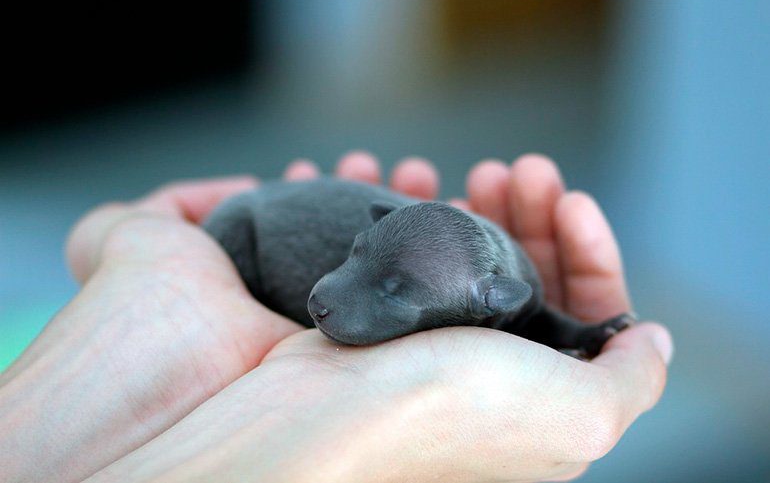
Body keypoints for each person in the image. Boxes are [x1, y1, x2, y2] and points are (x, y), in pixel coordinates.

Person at [0, 152, 672, 483]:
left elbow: (538, 316)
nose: (329, 294)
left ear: (493, 301)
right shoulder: (440, 267)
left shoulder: (506, 285)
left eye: (390, 290)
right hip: (253, 238)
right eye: (356, 257)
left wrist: (579, 336)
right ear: (373, 227)